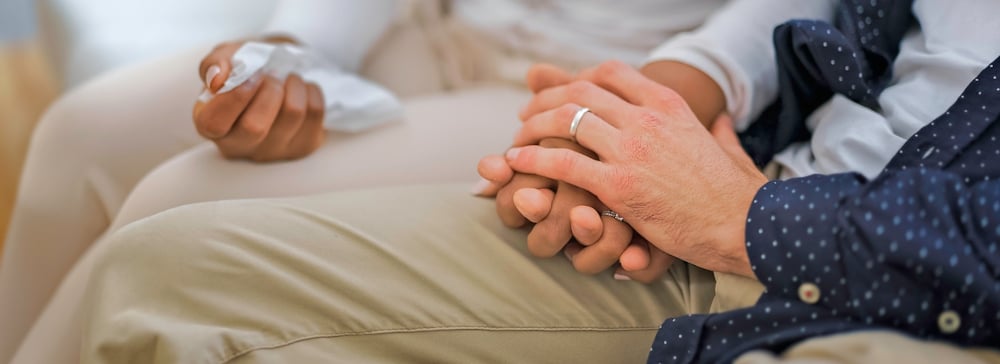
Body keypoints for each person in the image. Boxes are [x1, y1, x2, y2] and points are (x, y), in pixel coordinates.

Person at [78, 0, 1000, 362]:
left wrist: (729, 201)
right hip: (734, 165)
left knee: (171, 217)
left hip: (763, 210)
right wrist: (298, 46)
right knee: (86, 142)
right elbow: (840, 33)